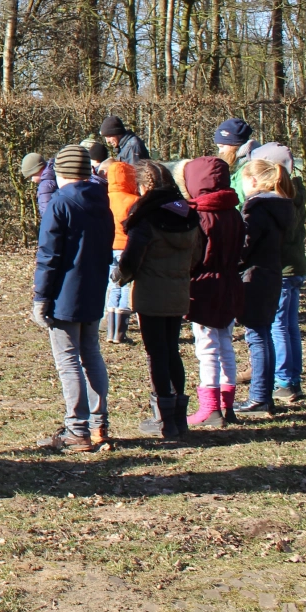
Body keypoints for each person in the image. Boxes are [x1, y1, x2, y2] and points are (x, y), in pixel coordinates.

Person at [31, 144, 114, 453]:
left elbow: (49, 254)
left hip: (65, 293)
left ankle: (76, 430)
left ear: (61, 172)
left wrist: (41, 297)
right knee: (91, 355)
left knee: (68, 361)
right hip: (94, 289)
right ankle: (98, 426)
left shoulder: (59, 203)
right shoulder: (101, 201)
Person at [115, 160, 201, 441]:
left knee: (156, 354)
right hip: (178, 291)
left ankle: (163, 419)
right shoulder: (188, 214)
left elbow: (131, 258)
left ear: (145, 185)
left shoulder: (146, 217)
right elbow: (198, 255)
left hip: (151, 292)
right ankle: (178, 417)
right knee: (172, 350)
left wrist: (120, 276)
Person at [182, 155, 245, 428]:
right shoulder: (234, 212)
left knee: (206, 347)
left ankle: (210, 408)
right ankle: (226, 405)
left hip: (205, 285)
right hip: (230, 283)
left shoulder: (199, 215)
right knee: (226, 344)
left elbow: (194, 256)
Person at [236, 159, 296, 419]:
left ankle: (260, 398)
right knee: (264, 335)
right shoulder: (281, 206)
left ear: (252, 181)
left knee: (257, 336)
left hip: (255, 276)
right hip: (270, 275)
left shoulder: (256, 209)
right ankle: (263, 396)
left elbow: (245, 247)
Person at [250, 143, 306, 403]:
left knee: (278, 327)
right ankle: (292, 379)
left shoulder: (273, 203)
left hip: (281, 269)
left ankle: (284, 380)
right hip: (295, 267)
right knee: (289, 326)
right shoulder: (293, 194)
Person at [103, 160, 140, 344]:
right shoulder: (134, 200)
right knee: (126, 285)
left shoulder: (104, 198)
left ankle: (110, 330)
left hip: (109, 246)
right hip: (126, 247)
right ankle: (120, 332)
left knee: (113, 284)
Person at [214, 118, 256, 201]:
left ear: (235, 145)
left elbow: (239, 202)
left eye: (222, 147)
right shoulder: (236, 165)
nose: (220, 152)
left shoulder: (249, 169)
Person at [21, 153, 55, 218]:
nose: (32, 180)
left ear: (38, 170)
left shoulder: (45, 186)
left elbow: (48, 215)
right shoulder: (56, 173)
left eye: (32, 176)